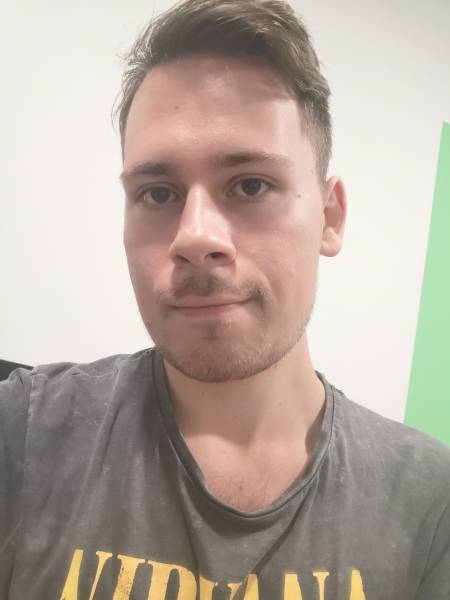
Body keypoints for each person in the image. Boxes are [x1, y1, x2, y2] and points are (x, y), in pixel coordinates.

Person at [1, 0, 449, 598]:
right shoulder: (25, 432)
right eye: (158, 193)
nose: (194, 237)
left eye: (251, 185)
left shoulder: (428, 502)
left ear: (330, 217)